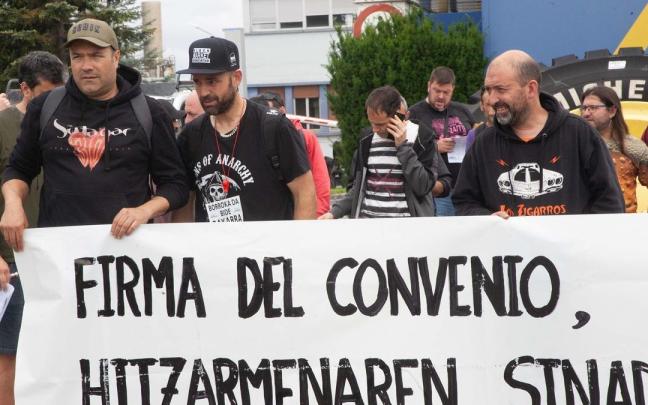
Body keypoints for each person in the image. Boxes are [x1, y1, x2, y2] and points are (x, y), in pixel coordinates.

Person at [0, 17, 188, 251]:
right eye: (77, 56)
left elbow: (176, 185)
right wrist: (13, 203)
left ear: (116, 58)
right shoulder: (45, 107)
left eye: (96, 55)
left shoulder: (149, 112)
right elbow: (19, 169)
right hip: (59, 253)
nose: (86, 65)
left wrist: (144, 211)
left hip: (126, 253)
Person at [452, 50, 624, 217]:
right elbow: (464, 202)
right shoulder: (484, 144)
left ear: (531, 89)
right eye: (489, 90)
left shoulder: (580, 134)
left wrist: (577, 233)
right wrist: (487, 219)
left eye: (501, 89)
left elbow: (609, 202)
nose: (491, 99)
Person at [172, 37, 316, 222]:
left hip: (269, 241)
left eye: (212, 81)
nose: (204, 91)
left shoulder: (274, 127)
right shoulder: (190, 136)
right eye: (197, 82)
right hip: (213, 241)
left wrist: (297, 240)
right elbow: (185, 204)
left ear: (236, 78)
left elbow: (304, 193)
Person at [0, 50, 66, 405]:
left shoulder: (64, 126)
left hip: (56, 257)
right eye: (45, 94)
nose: (54, 101)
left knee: (54, 350)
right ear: (25, 90)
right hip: (13, 264)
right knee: (10, 353)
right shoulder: (4, 126)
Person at [318, 86, 442, 219]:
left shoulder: (422, 138)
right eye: (372, 123)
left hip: (405, 227)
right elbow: (358, 188)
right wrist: (335, 212)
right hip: (369, 224)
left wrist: (403, 148)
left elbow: (423, 187)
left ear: (398, 117)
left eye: (380, 124)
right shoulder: (367, 140)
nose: (375, 129)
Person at [250, 92, 331, 216]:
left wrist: (315, 217)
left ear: (282, 111)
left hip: (301, 216)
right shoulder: (252, 139)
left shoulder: (305, 137)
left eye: (269, 113)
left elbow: (320, 181)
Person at [408, 66, 475, 216]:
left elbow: (476, 132)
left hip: (466, 186)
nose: (441, 96)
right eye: (437, 91)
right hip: (438, 189)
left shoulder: (462, 110)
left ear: (453, 90)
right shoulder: (414, 113)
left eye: (446, 92)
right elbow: (406, 151)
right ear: (428, 86)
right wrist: (434, 147)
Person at [580, 86, 648, 213]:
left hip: (623, 222)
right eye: (584, 108)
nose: (586, 113)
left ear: (612, 111)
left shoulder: (634, 147)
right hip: (582, 221)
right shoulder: (574, 145)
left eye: (593, 108)